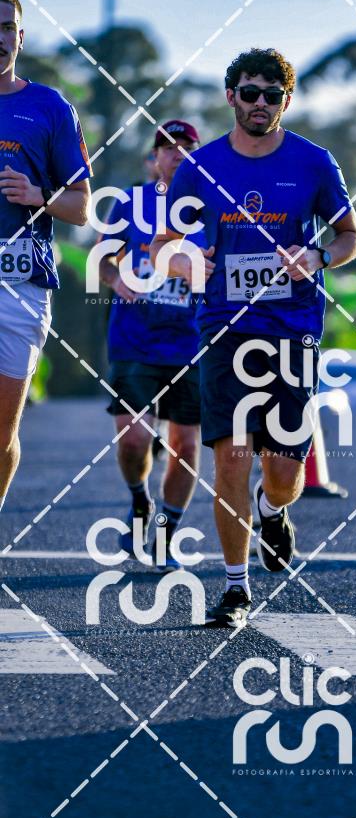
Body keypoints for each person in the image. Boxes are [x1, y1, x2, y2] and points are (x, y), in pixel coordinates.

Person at [151, 48, 356, 626]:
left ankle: (272, 508)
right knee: (231, 459)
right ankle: (235, 588)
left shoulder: (314, 163)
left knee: (284, 473)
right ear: (231, 97)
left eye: (272, 95)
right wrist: (186, 260)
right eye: (250, 93)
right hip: (224, 327)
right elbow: (163, 247)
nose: (260, 104)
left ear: (285, 101)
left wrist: (318, 256)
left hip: (292, 328)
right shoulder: (201, 167)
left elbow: (351, 236)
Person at [0, 0, 91, 516]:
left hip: (20, 286)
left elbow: (81, 208)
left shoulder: (49, 107)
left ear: (20, 37)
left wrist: (39, 196)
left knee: (1, 434)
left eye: (6, 28)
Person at [98, 121, 204, 571]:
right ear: (154, 158)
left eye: (187, 147)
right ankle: (140, 500)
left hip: (192, 344)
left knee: (186, 446)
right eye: (168, 147)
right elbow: (103, 259)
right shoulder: (130, 202)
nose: (178, 154)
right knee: (135, 438)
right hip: (134, 340)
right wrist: (116, 279)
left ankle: (165, 534)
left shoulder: (211, 205)